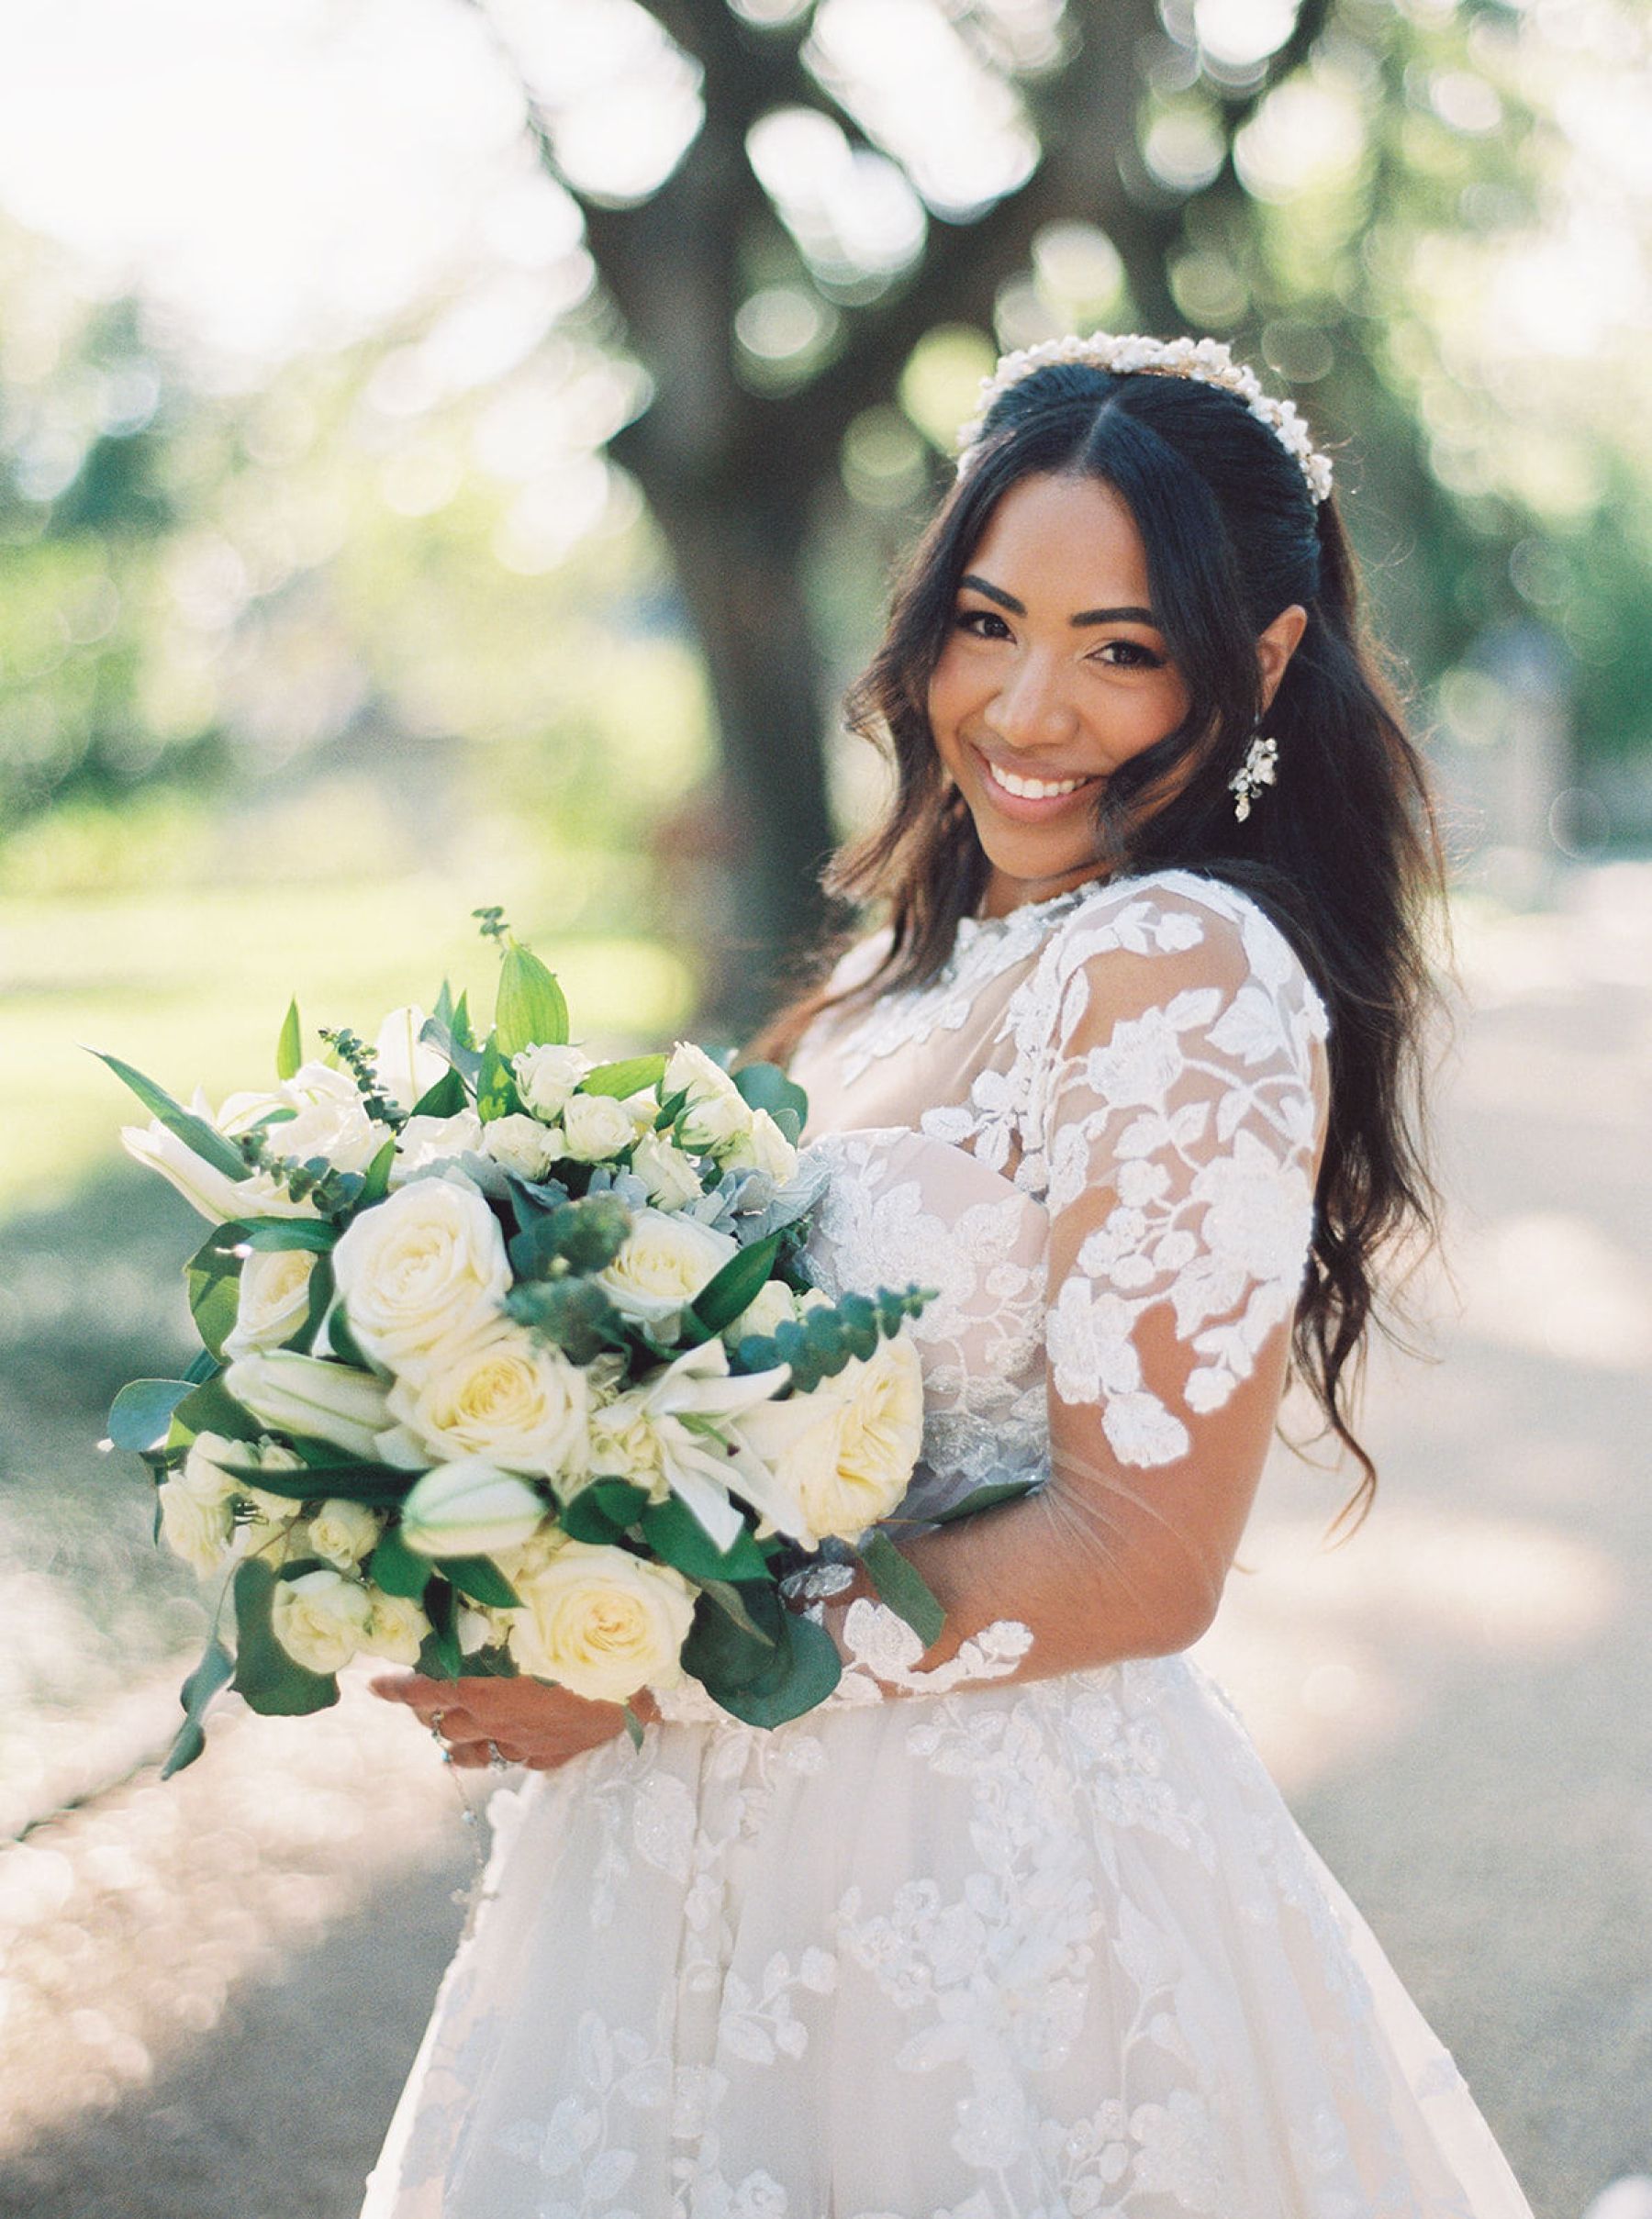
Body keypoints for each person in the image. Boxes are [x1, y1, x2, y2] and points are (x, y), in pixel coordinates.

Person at [360, 331, 1536, 2217]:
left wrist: (652, 1670)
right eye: (990, 623)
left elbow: (1141, 1558)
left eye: (1122, 648)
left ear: (1260, 665)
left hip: (983, 1897)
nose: (1029, 707)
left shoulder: (1180, 971)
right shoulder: (908, 969)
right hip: (690, 1848)